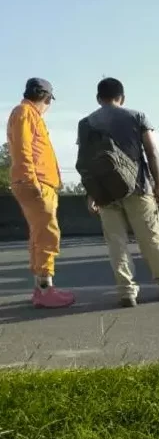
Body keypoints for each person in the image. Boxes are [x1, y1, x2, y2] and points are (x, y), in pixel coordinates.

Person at [78, 77, 159, 307]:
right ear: (122, 97)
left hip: (105, 192)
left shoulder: (85, 123)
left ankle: (127, 292)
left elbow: (86, 163)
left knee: (116, 242)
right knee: (151, 239)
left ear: (98, 98)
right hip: (137, 187)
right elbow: (152, 152)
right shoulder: (137, 116)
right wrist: (158, 185)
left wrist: (91, 194)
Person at [6, 78, 75, 308]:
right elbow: (23, 149)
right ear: (46, 98)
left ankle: (41, 288)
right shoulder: (25, 112)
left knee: (39, 236)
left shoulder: (26, 114)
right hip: (36, 184)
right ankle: (45, 289)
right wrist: (32, 180)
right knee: (47, 235)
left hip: (37, 182)